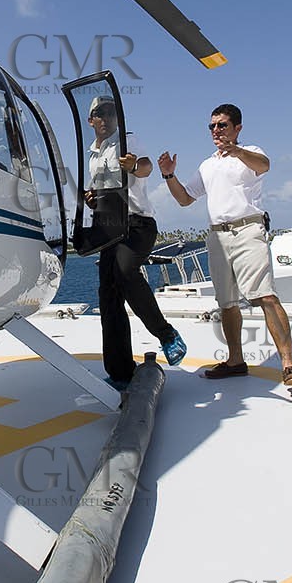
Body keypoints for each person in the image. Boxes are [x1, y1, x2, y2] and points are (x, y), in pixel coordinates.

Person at [158, 103, 292, 389]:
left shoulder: (251, 154)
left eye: (222, 125)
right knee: (226, 303)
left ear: (237, 128)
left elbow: (264, 166)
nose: (216, 130)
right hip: (217, 236)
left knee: (265, 296)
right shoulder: (207, 165)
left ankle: (289, 364)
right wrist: (168, 175)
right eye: (212, 126)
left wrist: (236, 151)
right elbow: (185, 199)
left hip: (248, 229)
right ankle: (236, 360)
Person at [85, 96, 187, 389]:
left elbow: (144, 167)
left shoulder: (128, 139)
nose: (105, 118)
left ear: (117, 118)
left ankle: (166, 333)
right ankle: (119, 371)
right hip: (108, 227)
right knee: (108, 296)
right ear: (90, 120)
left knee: (124, 272)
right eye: (99, 114)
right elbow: (103, 190)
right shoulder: (93, 154)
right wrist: (92, 198)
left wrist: (132, 167)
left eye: (110, 113)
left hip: (137, 225)